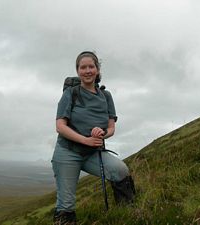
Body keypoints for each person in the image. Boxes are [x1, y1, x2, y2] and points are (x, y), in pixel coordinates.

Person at [52, 51, 135, 225]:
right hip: (68, 152)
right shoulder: (70, 94)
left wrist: (102, 133)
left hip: (92, 153)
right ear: (78, 71)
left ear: (97, 70)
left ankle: (127, 214)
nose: (87, 70)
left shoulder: (106, 96)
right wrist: (86, 140)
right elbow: (60, 127)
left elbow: (111, 127)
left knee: (121, 171)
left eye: (91, 66)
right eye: (83, 67)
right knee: (66, 205)